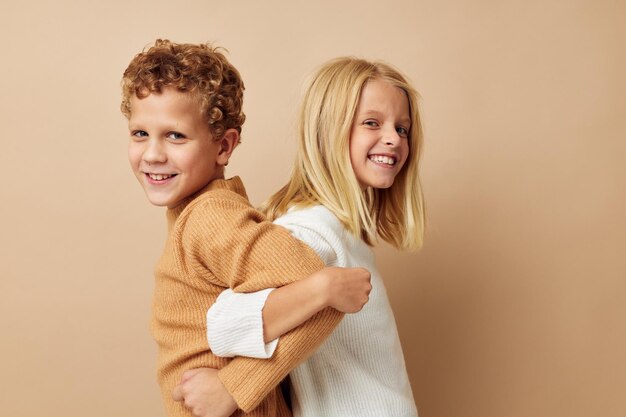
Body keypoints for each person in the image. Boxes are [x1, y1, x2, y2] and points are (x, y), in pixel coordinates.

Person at [121, 40, 373, 417]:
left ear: (223, 146)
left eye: (175, 136)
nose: (153, 153)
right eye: (140, 134)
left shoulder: (211, 218)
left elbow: (328, 296)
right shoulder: (198, 217)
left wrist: (235, 387)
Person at [175, 57, 425, 417]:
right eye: (372, 123)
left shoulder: (343, 229)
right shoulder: (311, 229)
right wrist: (232, 387)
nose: (393, 138)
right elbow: (224, 324)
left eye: (402, 128)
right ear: (328, 132)